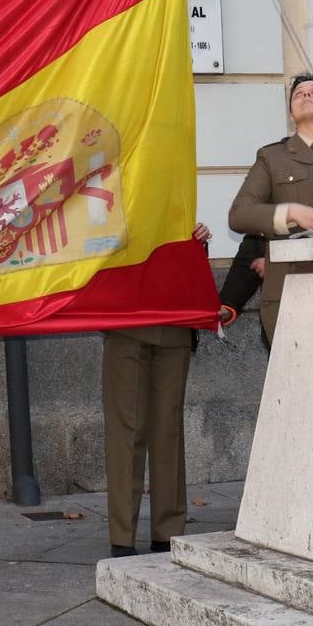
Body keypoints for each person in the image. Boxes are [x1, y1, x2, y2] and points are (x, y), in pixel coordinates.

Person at [228, 74, 313, 343]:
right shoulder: (272, 156)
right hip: (291, 291)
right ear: (291, 114)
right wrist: (289, 212)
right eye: (298, 94)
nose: (306, 95)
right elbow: (239, 214)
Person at [102, 222, 211, 558]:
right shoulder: (123, 197)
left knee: (168, 431)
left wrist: (198, 245)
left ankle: (168, 531)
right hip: (128, 324)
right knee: (126, 431)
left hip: (174, 325)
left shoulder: (177, 205)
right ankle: (122, 536)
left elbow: (186, 271)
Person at [217, 233, 265, 330]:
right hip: (278, 324)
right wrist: (227, 306)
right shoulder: (261, 232)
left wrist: (277, 262)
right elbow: (246, 267)